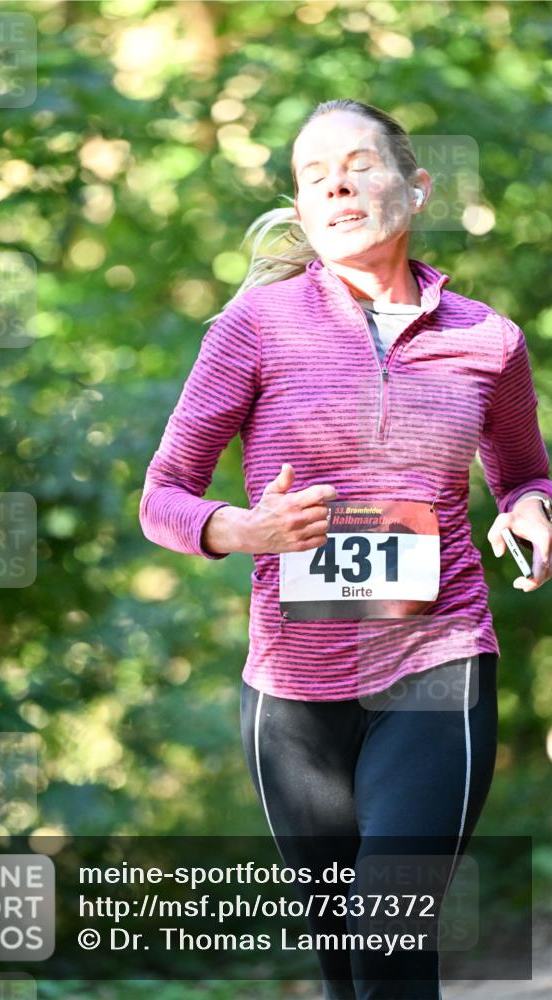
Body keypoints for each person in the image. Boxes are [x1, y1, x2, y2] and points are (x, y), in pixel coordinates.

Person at [139, 99, 552, 999]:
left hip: (436, 661)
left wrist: (529, 510)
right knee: (345, 968)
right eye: (312, 172)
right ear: (298, 203)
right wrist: (242, 530)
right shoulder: (253, 329)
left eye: (361, 164)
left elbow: (524, 472)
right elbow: (160, 497)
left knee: (390, 934)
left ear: (414, 186)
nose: (335, 182)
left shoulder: (488, 341)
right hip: (291, 692)